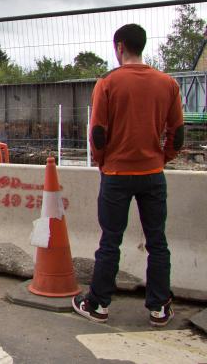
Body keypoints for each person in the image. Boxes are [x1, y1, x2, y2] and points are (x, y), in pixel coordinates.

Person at [72, 24, 184, 328]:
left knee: (110, 240)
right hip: (152, 173)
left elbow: (98, 133)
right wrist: (163, 157)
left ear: (120, 47)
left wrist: (102, 162)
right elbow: (177, 133)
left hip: (117, 174)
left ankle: (98, 304)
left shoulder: (107, 83)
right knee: (157, 240)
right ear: (142, 46)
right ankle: (159, 307)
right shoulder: (168, 84)